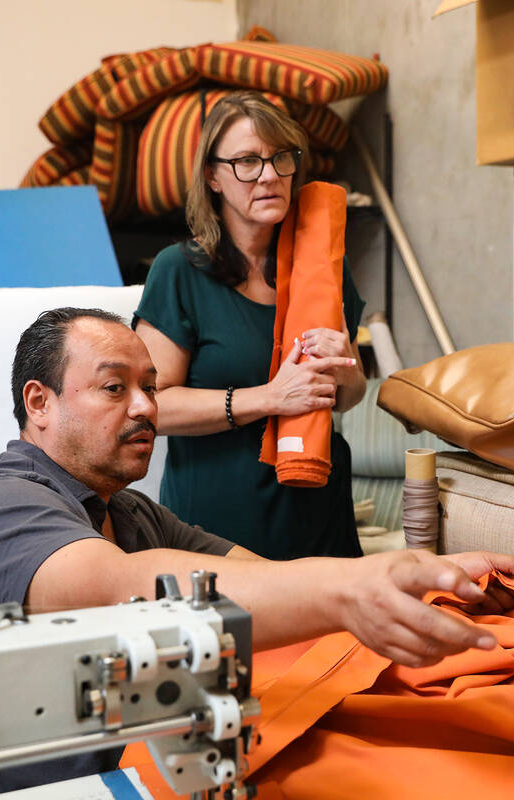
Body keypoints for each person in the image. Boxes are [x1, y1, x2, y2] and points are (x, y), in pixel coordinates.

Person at [0, 307, 514, 797]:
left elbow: (261, 579)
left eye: (149, 387)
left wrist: (417, 576)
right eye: (114, 388)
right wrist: (347, 592)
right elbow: (121, 588)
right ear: (40, 404)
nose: (147, 408)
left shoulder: (128, 512)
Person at [133, 91, 366, 560]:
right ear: (212, 177)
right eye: (246, 161)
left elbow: (351, 393)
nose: (269, 175)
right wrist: (268, 398)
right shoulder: (179, 271)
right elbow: (150, 406)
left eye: (281, 158)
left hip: (318, 514)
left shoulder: (323, 269)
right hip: (217, 528)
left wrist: (346, 374)